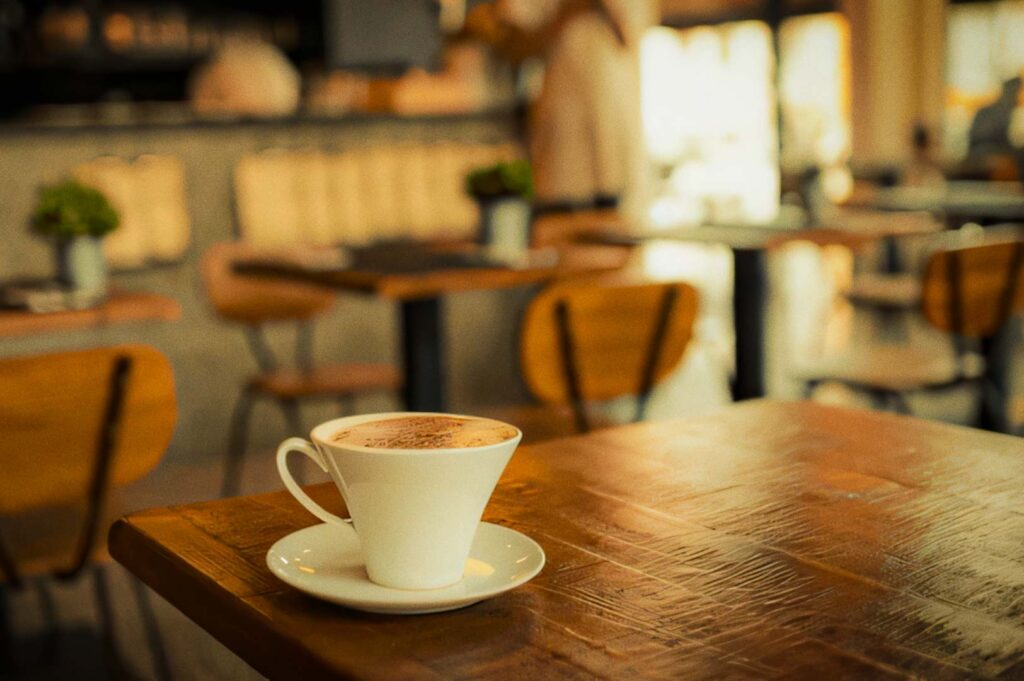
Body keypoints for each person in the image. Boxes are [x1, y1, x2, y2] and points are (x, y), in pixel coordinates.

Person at [465, 0, 656, 222]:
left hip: (614, 141)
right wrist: (567, 10)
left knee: (618, 232)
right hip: (562, 145)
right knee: (558, 229)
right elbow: (512, 45)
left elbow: (633, 33)